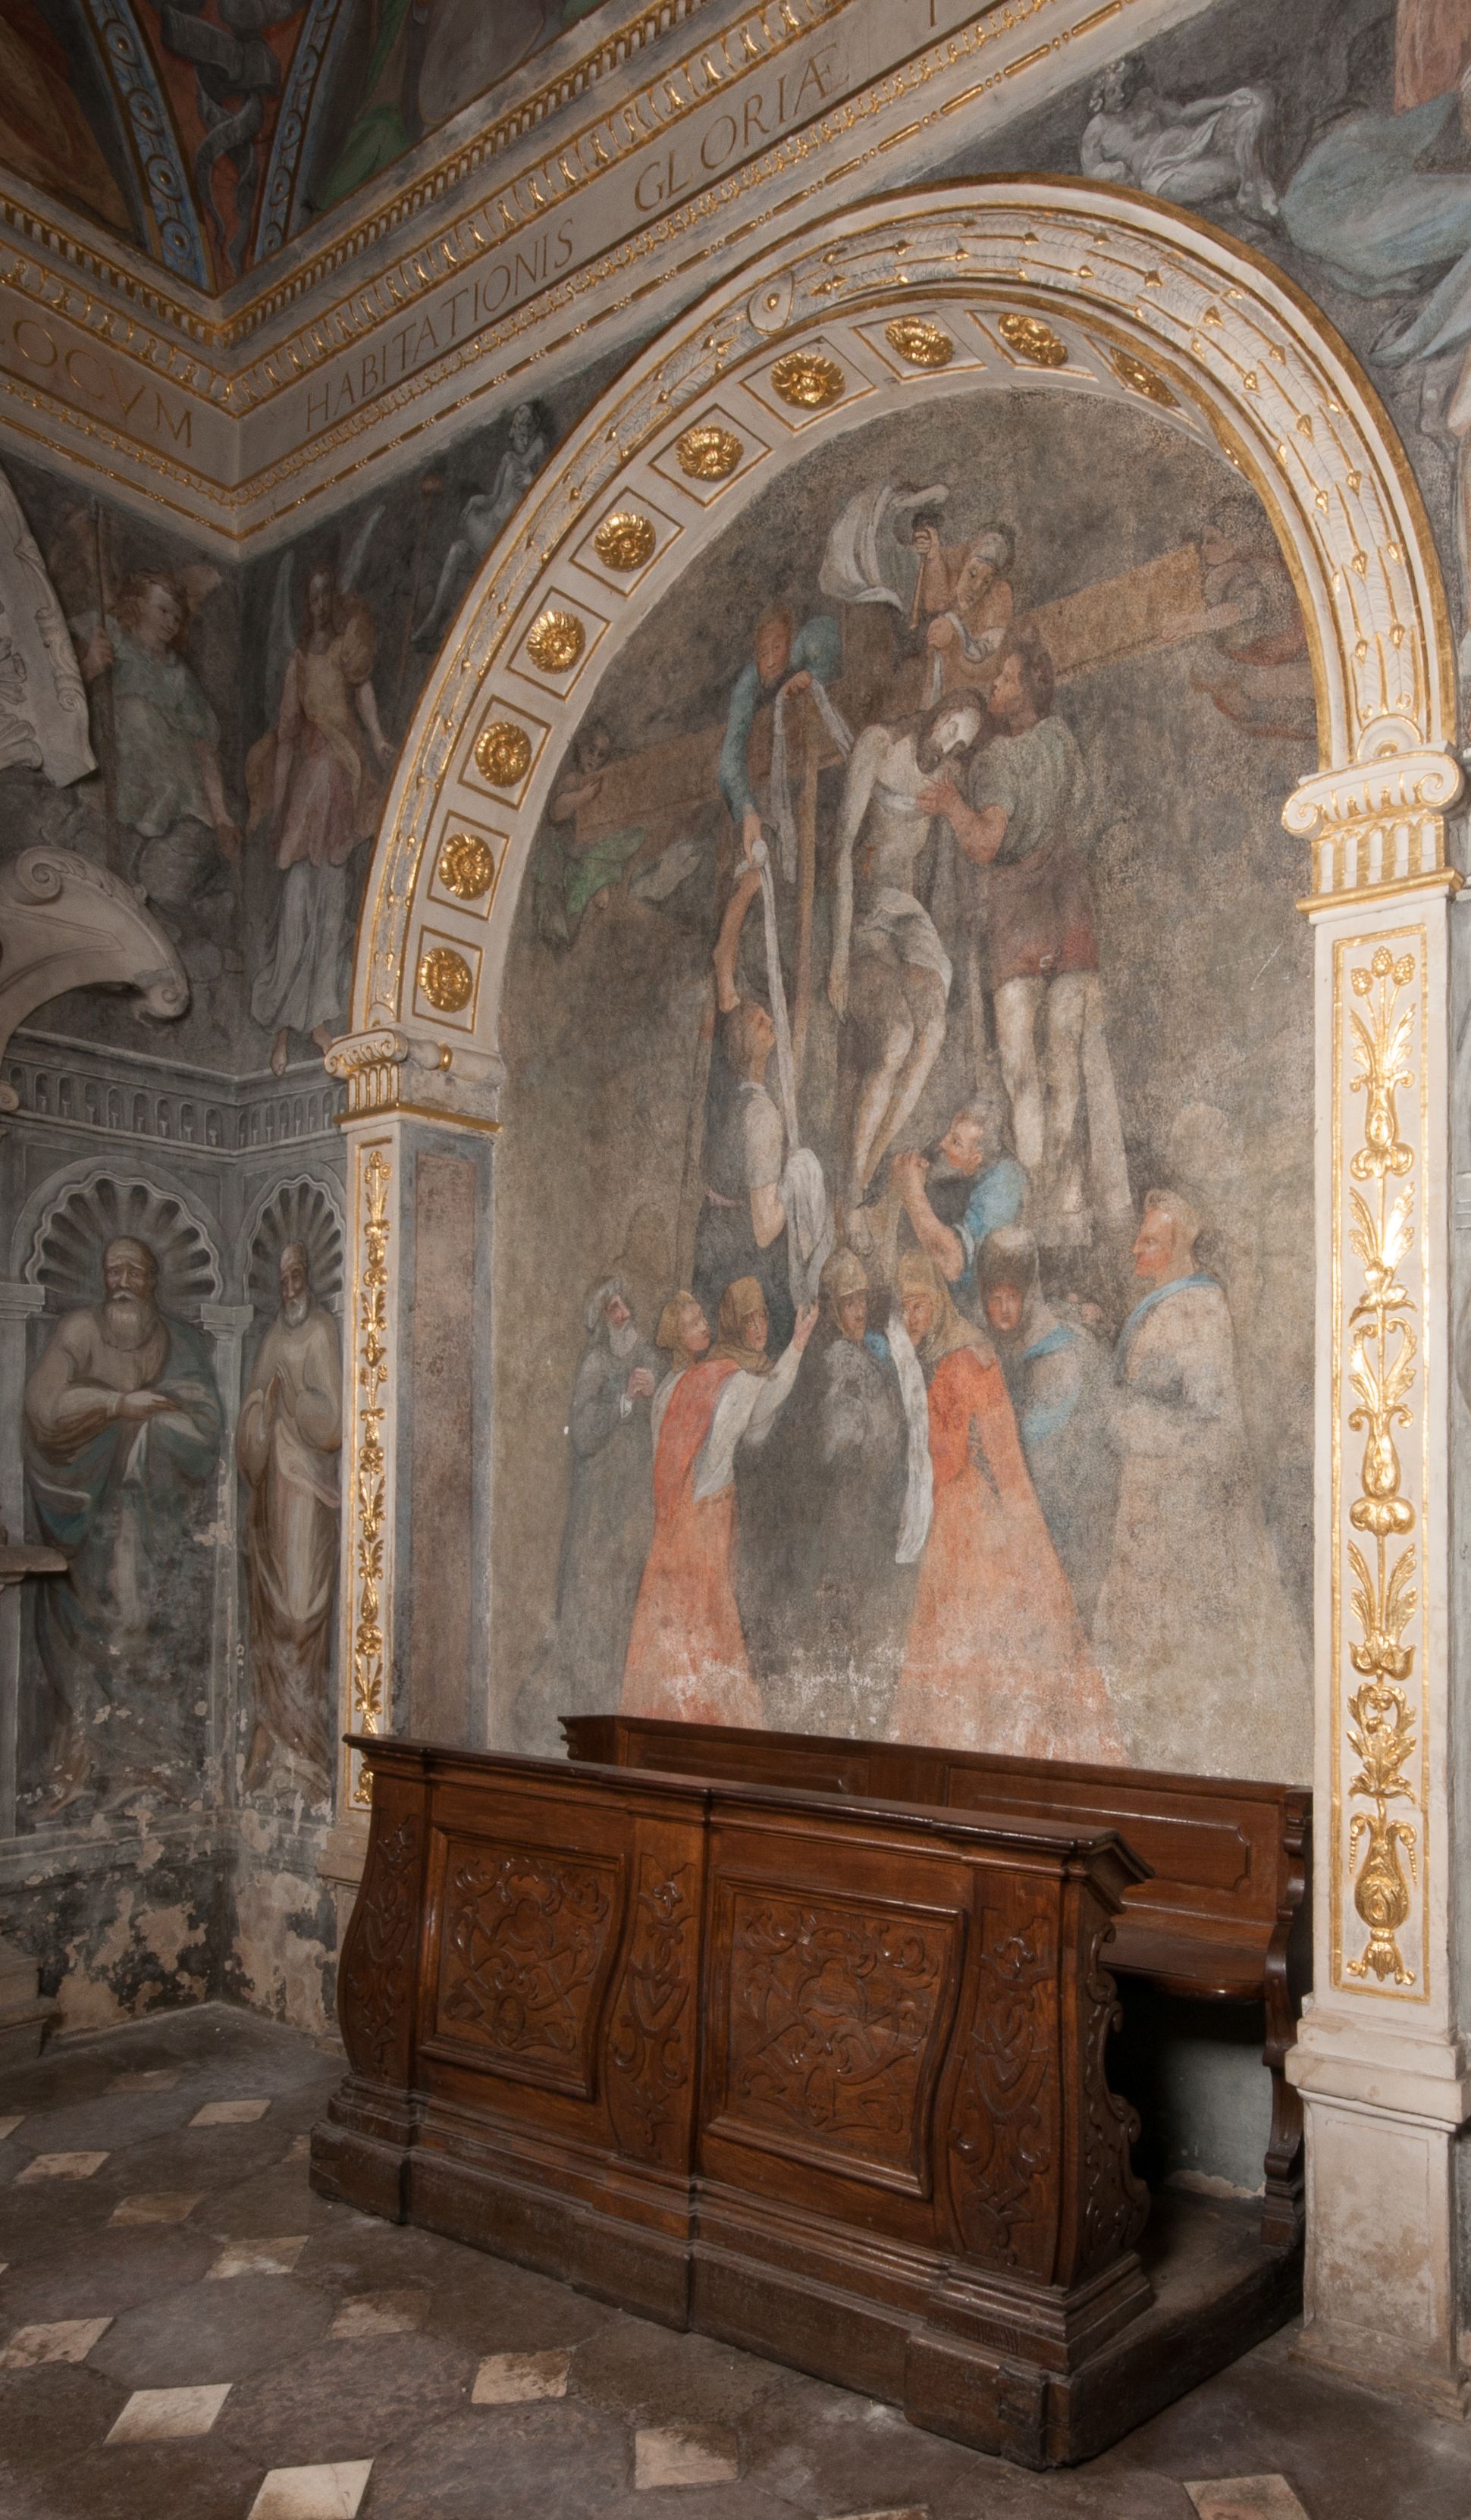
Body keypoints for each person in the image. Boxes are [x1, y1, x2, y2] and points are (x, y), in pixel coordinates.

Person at [1092, 1189, 1310, 1776]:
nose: (1136, 1249)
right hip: (1148, 1505)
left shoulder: (1200, 1311)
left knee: (1184, 1660)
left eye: (1150, 1242)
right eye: (1140, 1238)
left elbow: (1210, 1426)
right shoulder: (1164, 1306)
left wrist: (1125, 1419)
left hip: (1182, 1519)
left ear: (1177, 1249)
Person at [888, 1251, 1121, 1761]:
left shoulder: (971, 1358)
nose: (913, 1317)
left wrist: (1028, 1539)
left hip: (972, 1519)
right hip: (946, 1515)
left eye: (921, 1305)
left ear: (939, 1303)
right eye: (904, 1307)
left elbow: (1002, 1458)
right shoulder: (918, 1359)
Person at [23, 1236, 222, 1810]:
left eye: (135, 1270)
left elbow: (206, 1427)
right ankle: (80, 1768)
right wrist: (118, 1407)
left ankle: (145, 1770)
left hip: (154, 1524)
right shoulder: (81, 1331)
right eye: (114, 1270)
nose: (124, 1281)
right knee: (91, 1636)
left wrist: (151, 1429)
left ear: (153, 1279)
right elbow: (43, 1409)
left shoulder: (179, 1342)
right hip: (84, 1521)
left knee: (146, 1630)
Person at [917, 634, 1102, 1245]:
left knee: (1023, 1069)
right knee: (1065, 1064)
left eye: (1005, 678)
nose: (996, 685)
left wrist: (952, 806)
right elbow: (1084, 816)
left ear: (1027, 690)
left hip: (1021, 910)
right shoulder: (1063, 742)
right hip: (1070, 900)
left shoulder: (998, 759)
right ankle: (1068, 1205)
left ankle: (1035, 1205)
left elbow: (984, 844)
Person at [622, 1284, 816, 1725]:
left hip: (673, 1525)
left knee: (676, 1616)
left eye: (702, 1319)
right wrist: (798, 1345)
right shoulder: (723, 1379)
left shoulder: (667, 1391)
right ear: (676, 1336)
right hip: (707, 1516)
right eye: (692, 1323)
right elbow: (768, 1399)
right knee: (709, 1615)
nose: (703, 1326)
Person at [829, 696, 982, 1207]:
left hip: (906, 913)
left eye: (962, 743)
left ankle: (869, 1168)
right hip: (865, 907)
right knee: (896, 1038)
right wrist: (837, 958)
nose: (950, 744)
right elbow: (842, 849)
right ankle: (853, 1176)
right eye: (951, 728)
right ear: (939, 713)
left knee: (933, 1030)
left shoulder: (948, 779)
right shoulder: (879, 745)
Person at [246, 561, 395, 1076]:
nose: (320, 606)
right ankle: (283, 1031)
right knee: (295, 910)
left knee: (331, 909)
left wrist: (377, 738)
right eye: (312, 598)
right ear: (304, 607)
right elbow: (287, 735)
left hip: (343, 780)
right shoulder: (299, 663)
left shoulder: (346, 651)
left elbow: (363, 690)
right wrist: (277, 804)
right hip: (309, 787)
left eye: (326, 595)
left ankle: (318, 1023)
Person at [75, 569, 240, 967]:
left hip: (174, 779)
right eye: (163, 610)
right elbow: (65, 675)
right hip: (124, 767)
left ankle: (164, 807)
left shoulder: (178, 676)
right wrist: (89, 664)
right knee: (135, 711)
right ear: (136, 606)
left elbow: (203, 746)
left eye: (177, 617)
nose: (171, 622)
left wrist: (221, 815)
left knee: (157, 727)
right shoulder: (113, 639)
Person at [237, 1242, 343, 1795]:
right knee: (276, 1614)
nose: (289, 1288)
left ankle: (307, 1748)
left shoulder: (321, 1331)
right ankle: (279, 1742)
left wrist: (296, 1399)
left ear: (309, 1278)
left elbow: (334, 1424)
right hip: (273, 1494)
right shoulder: (273, 1336)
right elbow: (253, 1410)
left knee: (302, 1612)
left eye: (296, 1276)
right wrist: (261, 1409)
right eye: (283, 1281)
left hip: (310, 1490)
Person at [977, 1225, 1116, 1630]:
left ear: (1029, 1293)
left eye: (1013, 1297)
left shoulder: (1057, 1355)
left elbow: (1036, 1451)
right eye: (995, 1298)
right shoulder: (1004, 1343)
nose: (1004, 1309)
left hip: (1063, 1507)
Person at [540, 1276, 658, 1719]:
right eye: (613, 1309)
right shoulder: (596, 1362)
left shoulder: (650, 1357)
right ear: (603, 1318)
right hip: (599, 1504)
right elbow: (584, 1433)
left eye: (625, 1305)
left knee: (632, 1593)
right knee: (594, 1599)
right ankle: (591, 1702)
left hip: (637, 1499)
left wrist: (654, 1393)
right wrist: (624, 1401)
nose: (623, 1314)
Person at [412, 401, 554, 648]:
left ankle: (465, 624)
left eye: (526, 420)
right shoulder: (508, 458)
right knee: (456, 550)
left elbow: (551, 490)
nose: (522, 424)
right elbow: (493, 497)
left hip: (508, 534)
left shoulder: (539, 449)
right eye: (519, 420)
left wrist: (533, 480)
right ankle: (434, 617)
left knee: (480, 569)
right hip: (489, 524)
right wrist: (475, 500)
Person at [1080, 51, 1281, 223]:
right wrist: (1115, 172)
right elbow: (1092, 172)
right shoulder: (1097, 127)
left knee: (1254, 101)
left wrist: (1226, 100)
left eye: (1124, 85)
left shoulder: (1144, 99)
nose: (1122, 94)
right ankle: (1249, 182)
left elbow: (1182, 114)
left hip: (1190, 141)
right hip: (1161, 174)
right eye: (1112, 91)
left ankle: (1255, 178)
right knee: (1231, 170)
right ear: (1100, 97)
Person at [890, 1097, 1027, 1310]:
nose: (943, 1144)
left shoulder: (1004, 1181)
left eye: (956, 1142)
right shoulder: (967, 1177)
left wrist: (912, 1192)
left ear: (976, 1159)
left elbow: (953, 1264)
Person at [919, 528, 1016, 702]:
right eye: (972, 574)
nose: (976, 588)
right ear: (963, 567)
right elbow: (933, 601)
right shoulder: (950, 569)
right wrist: (932, 556)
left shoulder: (999, 597)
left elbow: (986, 657)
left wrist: (955, 629)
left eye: (986, 582)